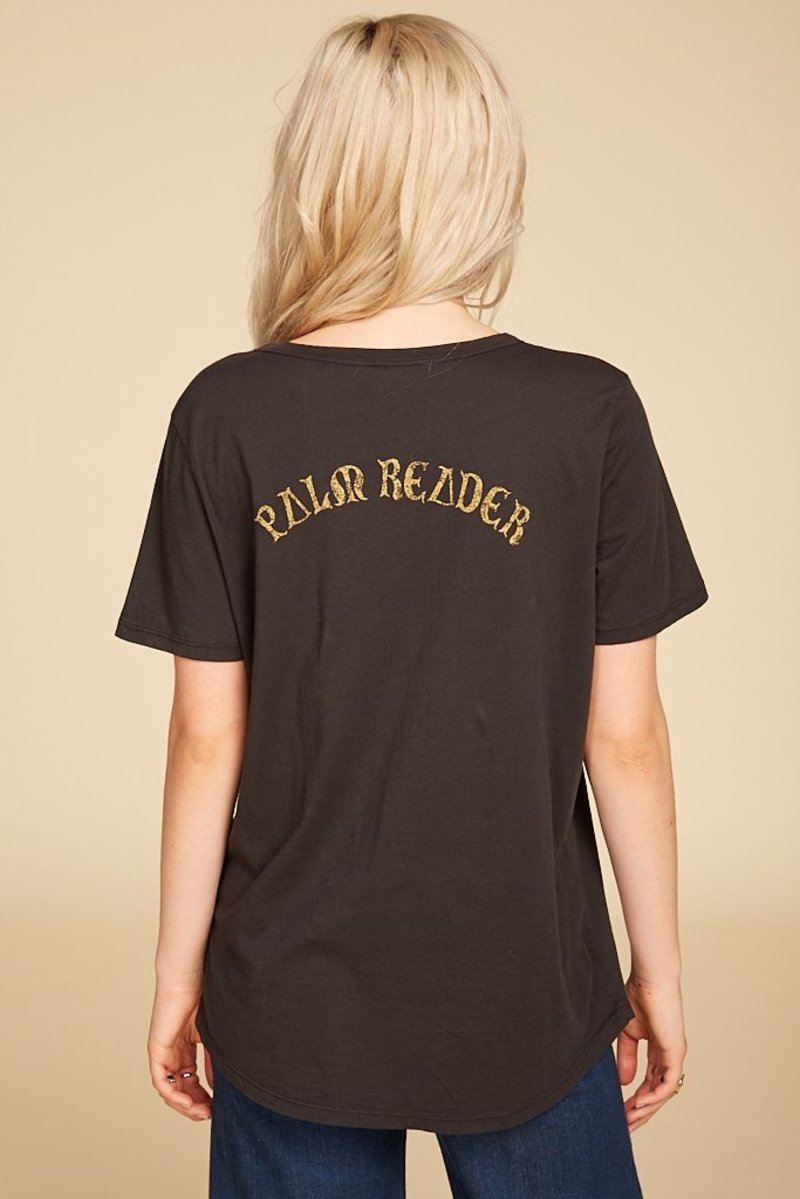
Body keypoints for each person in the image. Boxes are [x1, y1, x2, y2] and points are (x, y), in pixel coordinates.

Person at [114, 13, 708, 1198]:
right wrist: (659, 967)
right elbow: (624, 733)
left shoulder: (227, 411)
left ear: (313, 173)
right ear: (486, 170)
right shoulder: (585, 411)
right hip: (526, 982)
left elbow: (206, 732)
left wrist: (180, 973)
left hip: (290, 993)